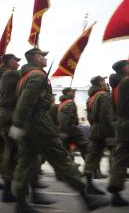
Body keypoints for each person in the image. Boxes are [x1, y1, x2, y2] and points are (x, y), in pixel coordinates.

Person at [10, 47, 109, 213]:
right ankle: (86, 198)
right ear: (35, 58)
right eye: (42, 56)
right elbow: (26, 101)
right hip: (39, 125)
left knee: (26, 163)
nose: (45, 59)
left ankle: (20, 203)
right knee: (62, 160)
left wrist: (20, 125)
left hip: (28, 126)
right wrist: (18, 123)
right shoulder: (37, 75)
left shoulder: (24, 77)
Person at [0, 53, 21, 202]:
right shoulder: (9, 74)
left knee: (11, 151)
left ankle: (8, 188)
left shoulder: (7, 75)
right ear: (10, 62)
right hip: (10, 118)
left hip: (8, 117)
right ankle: (9, 189)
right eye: (16, 61)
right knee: (13, 152)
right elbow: (25, 73)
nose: (17, 64)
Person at [83, 75, 114, 195]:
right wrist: (113, 132)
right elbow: (107, 116)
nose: (105, 83)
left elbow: (90, 117)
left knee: (92, 158)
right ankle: (115, 189)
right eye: (103, 81)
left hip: (95, 129)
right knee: (119, 156)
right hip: (104, 131)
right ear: (100, 82)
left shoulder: (91, 97)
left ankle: (89, 185)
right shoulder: (103, 96)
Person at [107, 60, 129, 206]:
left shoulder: (115, 86)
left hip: (121, 128)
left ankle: (115, 192)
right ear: (124, 69)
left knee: (120, 160)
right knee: (120, 160)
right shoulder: (126, 82)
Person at [57, 87, 89, 160]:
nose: (74, 94)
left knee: (66, 151)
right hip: (71, 129)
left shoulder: (62, 103)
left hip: (64, 130)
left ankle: (70, 168)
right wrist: (68, 131)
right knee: (85, 146)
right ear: (69, 93)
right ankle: (90, 167)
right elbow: (66, 119)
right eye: (72, 92)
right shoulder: (70, 103)